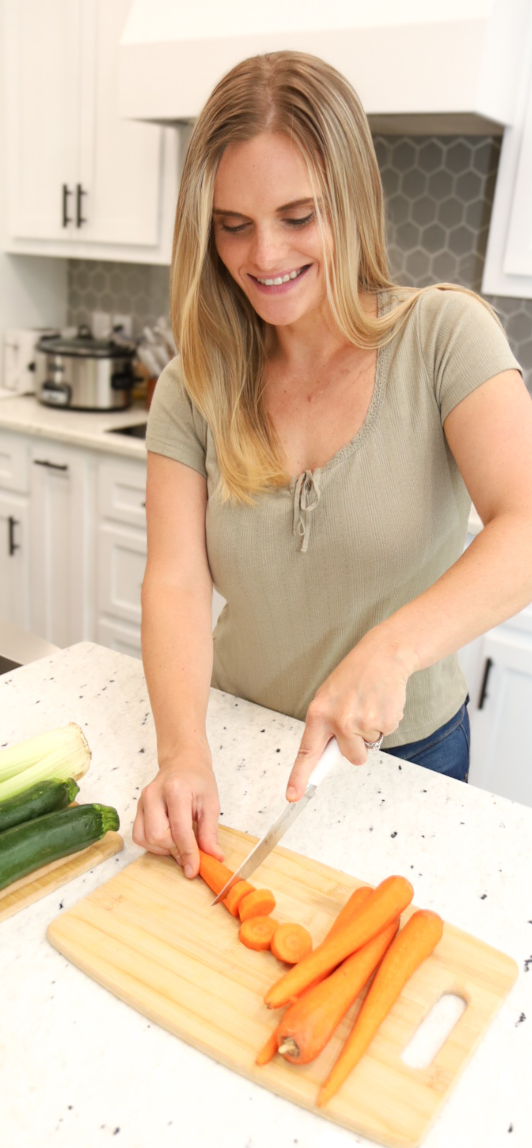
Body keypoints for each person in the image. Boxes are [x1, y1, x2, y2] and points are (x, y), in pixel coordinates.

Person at [132, 51, 532, 878]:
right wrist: (183, 751)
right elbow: (174, 579)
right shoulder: (193, 384)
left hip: (407, 757)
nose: (263, 254)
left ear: (350, 202)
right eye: (232, 223)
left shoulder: (444, 338)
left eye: (297, 215)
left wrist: (390, 650)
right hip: (238, 743)